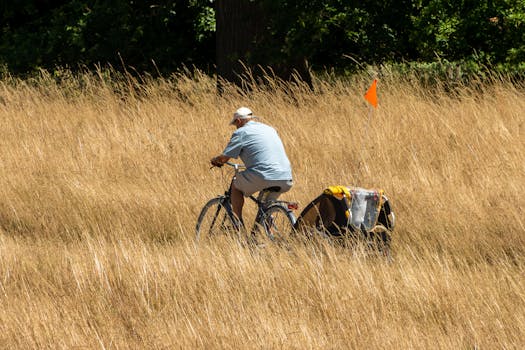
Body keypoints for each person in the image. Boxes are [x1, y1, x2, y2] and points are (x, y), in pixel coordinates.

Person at [211, 107, 293, 225]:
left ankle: (237, 224)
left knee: (236, 185)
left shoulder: (241, 132)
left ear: (239, 121)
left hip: (264, 175)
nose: (236, 127)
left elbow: (224, 158)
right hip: (286, 177)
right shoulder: (270, 129)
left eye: (235, 124)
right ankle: (268, 232)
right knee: (265, 205)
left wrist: (215, 160)